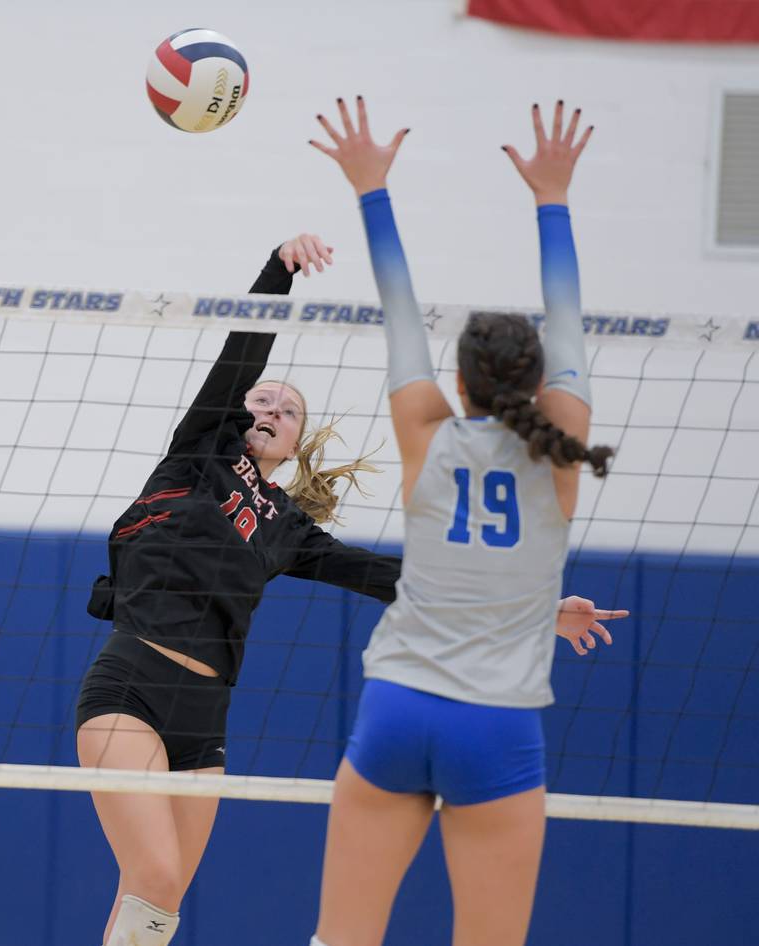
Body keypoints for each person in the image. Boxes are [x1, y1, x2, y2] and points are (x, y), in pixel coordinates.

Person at [307, 97, 626, 946]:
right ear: (539, 380)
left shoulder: (425, 432)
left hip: (399, 708)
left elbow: (398, 302)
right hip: (496, 726)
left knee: (342, 940)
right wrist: (552, 198)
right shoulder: (563, 448)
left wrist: (371, 187)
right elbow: (570, 313)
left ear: (461, 378)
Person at [76, 233, 403, 946]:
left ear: (295, 445)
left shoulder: (287, 527)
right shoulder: (199, 453)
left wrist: (531, 612)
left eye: (287, 412)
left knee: (155, 903)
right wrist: (278, 269)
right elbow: (241, 353)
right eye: (262, 400)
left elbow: (393, 581)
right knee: (156, 874)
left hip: (206, 720)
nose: (270, 410)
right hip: (131, 685)